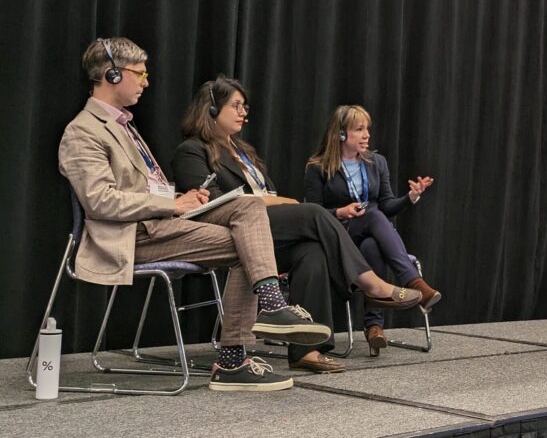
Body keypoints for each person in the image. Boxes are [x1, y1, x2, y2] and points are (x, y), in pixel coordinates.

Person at [58, 38, 334, 391]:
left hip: (161, 225)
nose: (145, 81)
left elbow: (141, 189)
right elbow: (100, 202)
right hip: (128, 238)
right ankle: (237, 355)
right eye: (139, 73)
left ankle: (266, 311)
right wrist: (171, 204)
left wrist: (181, 197)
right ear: (111, 75)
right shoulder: (83, 131)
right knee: (246, 246)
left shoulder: (125, 127)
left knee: (249, 207)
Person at [171, 77, 423, 372]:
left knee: (311, 250)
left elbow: (268, 193)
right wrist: (278, 204)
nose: (243, 113)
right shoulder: (191, 150)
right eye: (235, 106)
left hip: (262, 235)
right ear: (212, 110)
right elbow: (210, 205)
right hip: (228, 233)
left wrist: (276, 202)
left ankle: (306, 350)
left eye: (244, 106)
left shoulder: (244, 153)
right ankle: (371, 284)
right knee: (315, 213)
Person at [305, 105, 438, 357]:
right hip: (339, 236)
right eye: (359, 129)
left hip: (371, 237)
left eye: (367, 129)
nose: (366, 135)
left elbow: (387, 205)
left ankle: (374, 327)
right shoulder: (318, 167)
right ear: (341, 134)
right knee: (374, 215)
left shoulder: (377, 163)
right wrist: (340, 212)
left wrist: (410, 197)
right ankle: (414, 284)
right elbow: (311, 212)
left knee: (372, 244)